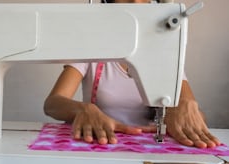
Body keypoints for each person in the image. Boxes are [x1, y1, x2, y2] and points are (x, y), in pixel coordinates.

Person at [44, 0, 220, 148]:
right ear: (109, 5)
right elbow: (52, 103)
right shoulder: (93, 49)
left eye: (144, 0)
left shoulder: (163, 56)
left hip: (150, 147)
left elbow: (195, 115)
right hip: (102, 143)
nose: (137, 5)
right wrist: (82, 109)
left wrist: (183, 108)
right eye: (127, 0)